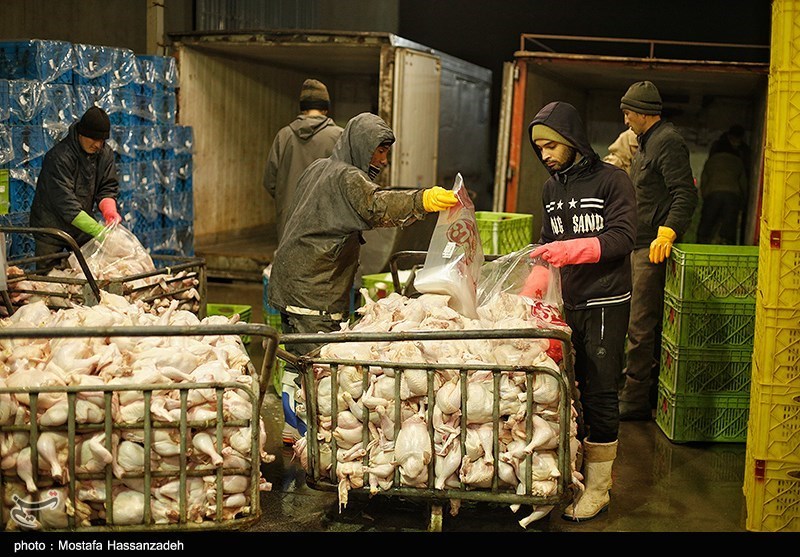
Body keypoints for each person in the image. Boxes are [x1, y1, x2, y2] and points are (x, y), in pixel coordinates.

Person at [267, 112, 458, 439]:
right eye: (378, 151)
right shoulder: (346, 178)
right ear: (360, 145)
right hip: (315, 287)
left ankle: (291, 422)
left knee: (297, 355)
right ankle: (311, 431)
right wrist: (422, 200)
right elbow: (376, 207)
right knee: (316, 361)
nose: (382, 160)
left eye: (385, 152)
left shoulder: (319, 168)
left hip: (289, 281)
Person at [521, 101, 636, 522]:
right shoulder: (552, 189)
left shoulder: (612, 180)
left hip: (605, 300)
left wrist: (573, 250)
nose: (546, 154)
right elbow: (546, 243)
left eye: (552, 145)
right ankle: (581, 475)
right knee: (573, 391)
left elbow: (624, 237)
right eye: (541, 148)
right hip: (566, 304)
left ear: (572, 140)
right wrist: (531, 294)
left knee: (602, 391)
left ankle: (601, 489)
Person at [616, 81, 698, 421]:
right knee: (636, 324)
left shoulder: (667, 141)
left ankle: (634, 399)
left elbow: (685, 193)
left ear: (641, 113)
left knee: (640, 325)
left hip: (652, 248)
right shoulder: (646, 143)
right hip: (638, 244)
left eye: (627, 114)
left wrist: (668, 231)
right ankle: (639, 390)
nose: (625, 122)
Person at [29, 106, 121, 267]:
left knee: (91, 272)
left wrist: (109, 210)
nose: (98, 145)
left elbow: (107, 186)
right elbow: (66, 204)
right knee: (49, 281)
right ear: (81, 133)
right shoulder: (59, 157)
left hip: (80, 225)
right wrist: (97, 231)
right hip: (51, 227)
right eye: (93, 139)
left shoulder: (105, 154)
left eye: (102, 140)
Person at [264, 78, 343, 244]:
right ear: (326, 108)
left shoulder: (283, 136)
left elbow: (270, 181)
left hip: (289, 225)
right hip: (328, 226)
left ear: (302, 108)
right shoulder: (339, 137)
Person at [696, 146, 748, 244]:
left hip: (713, 194)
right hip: (732, 195)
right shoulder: (738, 161)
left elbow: (704, 180)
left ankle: (699, 249)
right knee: (729, 231)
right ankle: (727, 253)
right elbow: (743, 183)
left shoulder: (711, 160)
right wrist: (743, 202)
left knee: (706, 227)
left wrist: (705, 196)